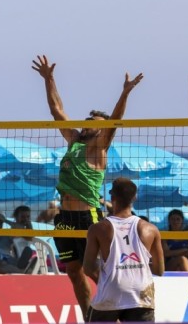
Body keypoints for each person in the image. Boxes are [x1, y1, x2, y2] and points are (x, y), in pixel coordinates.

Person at [32, 54, 143, 316]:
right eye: (88, 119)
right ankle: (88, 317)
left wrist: (125, 93)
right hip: (65, 216)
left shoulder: (99, 148)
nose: (87, 123)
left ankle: (120, 312)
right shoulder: (75, 141)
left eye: (93, 122)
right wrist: (49, 79)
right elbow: (57, 110)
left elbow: (114, 121)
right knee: (73, 271)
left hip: (88, 216)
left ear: (101, 130)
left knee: (96, 271)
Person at [83, 178, 164, 322]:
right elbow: (159, 270)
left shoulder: (98, 229)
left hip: (111, 291)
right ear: (134, 197)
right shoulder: (151, 229)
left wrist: (112, 276)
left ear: (112, 197)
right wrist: (134, 267)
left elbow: (88, 268)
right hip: (141, 294)